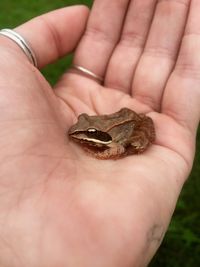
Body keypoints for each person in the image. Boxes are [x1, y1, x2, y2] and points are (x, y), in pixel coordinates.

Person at [0, 0, 199, 266]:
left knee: (136, 145)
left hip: (129, 127)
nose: (82, 134)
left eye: (89, 132)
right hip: (116, 118)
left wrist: (101, 153)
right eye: (84, 126)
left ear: (97, 133)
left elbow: (115, 148)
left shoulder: (112, 140)